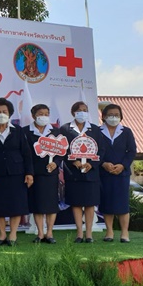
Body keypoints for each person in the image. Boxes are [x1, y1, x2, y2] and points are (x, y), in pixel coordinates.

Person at [0, 98, 33, 246]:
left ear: (10, 114)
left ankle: (13, 234)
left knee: (16, 204)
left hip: (17, 172)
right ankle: (1, 235)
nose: (1, 114)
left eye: (4, 112)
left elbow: (26, 153)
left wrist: (29, 173)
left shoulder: (18, 130)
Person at [60, 101, 106, 243]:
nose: (83, 112)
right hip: (73, 173)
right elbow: (62, 149)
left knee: (90, 203)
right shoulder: (65, 129)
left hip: (91, 173)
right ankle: (79, 233)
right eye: (80, 110)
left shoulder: (95, 129)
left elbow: (102, 150)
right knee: (76, 203)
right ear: (73, 112)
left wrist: (92, 165)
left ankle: (89, 233)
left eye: (85, 110)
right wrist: (74, 162)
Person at [25, 104, 64, 244]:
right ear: (33, 115)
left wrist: (56, 162)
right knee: (38, 204)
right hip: (35, 173)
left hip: (51, 173)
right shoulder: (26, 132)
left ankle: (50, 233)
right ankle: (40, 233)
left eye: (46, 113)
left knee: (51, 204)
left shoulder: (55, 132)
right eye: (41, 113)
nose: (44, 116)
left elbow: (62, 151)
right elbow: (25, 153)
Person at [99, 104, 137, 243]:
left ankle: (124, 233)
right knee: (107, 203)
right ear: (103, 116)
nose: (113, 117)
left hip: (122, 173)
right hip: (104, 173)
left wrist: (122, 165)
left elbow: (132, 151)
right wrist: (103, 164)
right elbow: (94, 152)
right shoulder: (98, 131)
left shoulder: (126, 131)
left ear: (121, 116)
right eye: (110, 114)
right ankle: (109, 232)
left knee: (122, 204)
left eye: (116, 114)